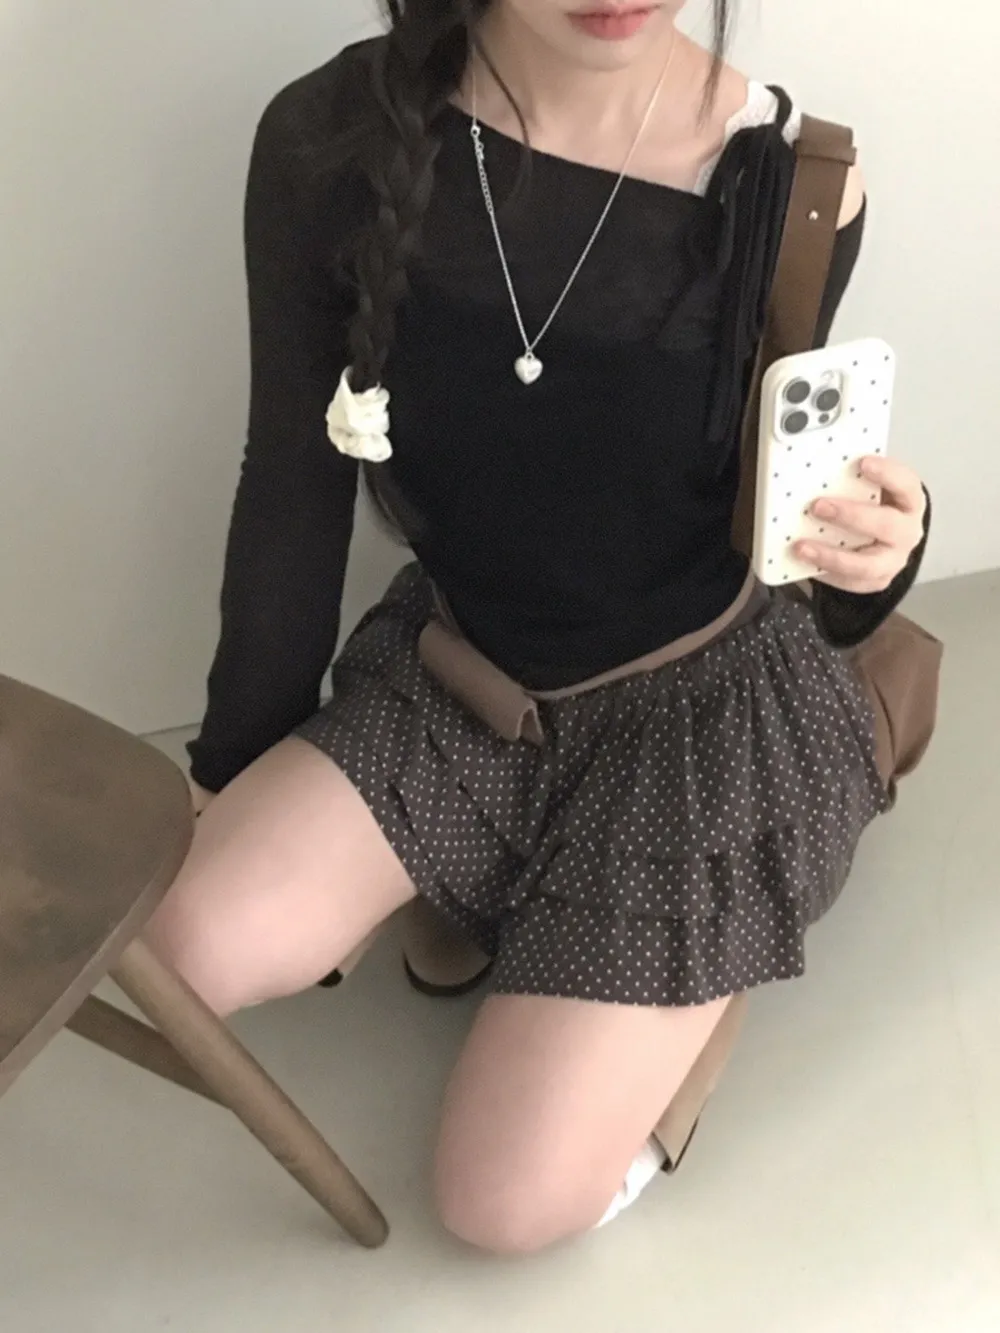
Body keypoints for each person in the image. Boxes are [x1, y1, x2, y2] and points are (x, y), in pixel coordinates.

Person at [149, 0, 930, 1254]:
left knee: (504, 1206)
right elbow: (292, 478)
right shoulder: (332, 134)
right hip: (459, 674)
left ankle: (735, 928)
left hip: (693, 718)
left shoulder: (795, 181)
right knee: (180, 945)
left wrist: (881, 554)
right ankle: (504, 887)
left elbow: (786, 519)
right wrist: (228, 769)